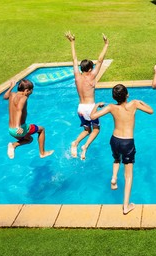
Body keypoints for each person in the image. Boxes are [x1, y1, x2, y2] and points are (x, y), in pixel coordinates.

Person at [90, 84, 153, 215]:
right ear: (127, 95)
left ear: (114, 97)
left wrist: (96, 105)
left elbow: (93, 116)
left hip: (115, 139)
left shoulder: (111, 107)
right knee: (128, 175)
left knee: (116, 159)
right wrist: (141, 101)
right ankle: (126, 206)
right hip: (127, 142)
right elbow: (150, 110)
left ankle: (113, 178)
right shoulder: (134, 104)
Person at [65, 31, 109, 160]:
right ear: (90, 69)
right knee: (96, 130)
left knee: (86, 130)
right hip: (91, 108)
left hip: (80, 108)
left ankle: (75, 143)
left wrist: (72, 42)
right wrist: (106, 44)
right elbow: (100, 60)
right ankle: (84, 147)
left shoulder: (77, 76)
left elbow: (74, 59)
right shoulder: (92, 76)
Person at [4, 79, 54, 159]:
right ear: (26, 90)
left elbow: (5, 96)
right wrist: (18, 126)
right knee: (41, 129)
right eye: (31, 92)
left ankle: (13, 145)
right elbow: (19, 110)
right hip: (20, 129)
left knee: (29, 139)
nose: (31, 93)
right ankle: (42, 153)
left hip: (11, 130)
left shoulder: (12, 94)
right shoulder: (23, 98)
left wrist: (11, 87)